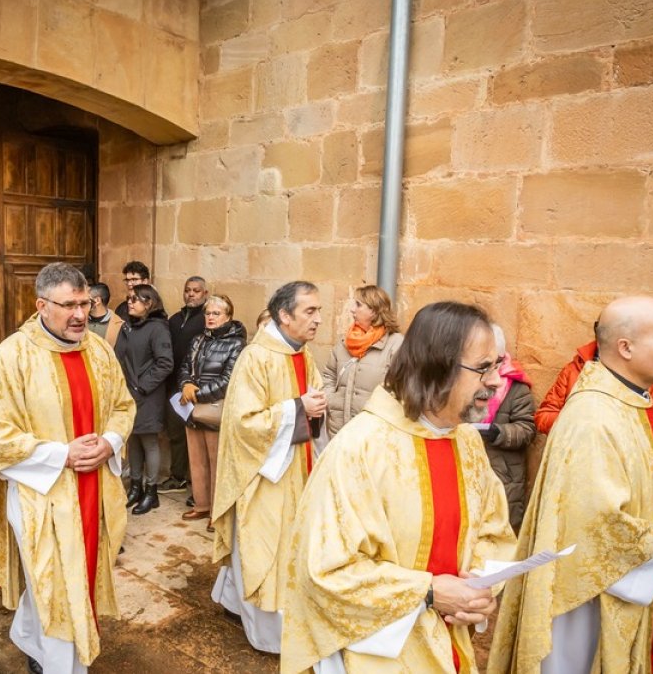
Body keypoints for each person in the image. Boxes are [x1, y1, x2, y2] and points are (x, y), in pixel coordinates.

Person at [282, 301, 517, 672]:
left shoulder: (468, 442)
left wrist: (480, 591)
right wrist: (426, 592)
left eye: (497, 365)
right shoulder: (360, 448)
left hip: (451, 641)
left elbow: (494, 530)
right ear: (436, 366)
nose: (495, 380)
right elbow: (324, 572)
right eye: (483, 368)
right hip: (380, 652)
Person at [490, 295, 653, 674]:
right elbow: (596, 521)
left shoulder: (631, 402)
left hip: (629, 578)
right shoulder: (593, 417)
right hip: (588, 600)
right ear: (625, 347)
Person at [0, 262, 135, 674]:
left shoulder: (99, 350)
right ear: (41, 305)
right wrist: (61, 455)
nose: (80, 315)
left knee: (81, 576)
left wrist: (109, 442)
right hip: (42, 492)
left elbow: (123, 406)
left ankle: (38, 641)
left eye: (85, 304)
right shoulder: (12, 356)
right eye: (69, 305)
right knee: (52, 581)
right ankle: (57, 663)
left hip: (95, 488)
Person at [210, 281, 326, 653]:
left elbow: (313, 396)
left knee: (284, 541)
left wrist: (313, 406)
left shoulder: (302, 353)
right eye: (310, 311)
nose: (318, 319)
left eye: (318, 311)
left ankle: (231, 600)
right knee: (262, 543)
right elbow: (244, 422)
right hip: (263, 473)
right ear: (284, 315)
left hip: (297, 464)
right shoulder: (256, 357)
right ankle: (268, 635)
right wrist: (297, 409)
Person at [536, 333, 653, 448]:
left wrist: (615, 433)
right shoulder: (574, 370)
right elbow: (544, 416)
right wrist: (579, 422)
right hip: (574, 458)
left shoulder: (651, 384)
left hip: (622, 468)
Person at [176, 294, 246, 526]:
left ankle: (218, 513)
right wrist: (185, 385)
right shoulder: (198, 339)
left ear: (228, 316)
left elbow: (228, 380)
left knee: (218, 464)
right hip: (192, 409)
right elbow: (185, 366)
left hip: (214, 409)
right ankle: (202, 505)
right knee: (197, 461)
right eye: (208, 313)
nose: (210, 317)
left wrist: (197, 394)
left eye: (216, 313)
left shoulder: (236, 343)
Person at [114, 284, 174, 515]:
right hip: (128, 394)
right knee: (133, 441)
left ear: (149, 304)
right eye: (128, 298)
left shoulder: (157, 329)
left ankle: (151, 492)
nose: (129, 303)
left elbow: (165, 363)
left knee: (149, 442)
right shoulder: (128, 326)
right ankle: (136, 487)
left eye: (135, 300)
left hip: (147, 395)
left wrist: (141, 385)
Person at [321, 284, 403, 438]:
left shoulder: (396, 344)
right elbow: (329, 375)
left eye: (358, 305)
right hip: (338, 432)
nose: (352, 309)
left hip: (373, 434)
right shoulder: (345, 342)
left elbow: (401, 387)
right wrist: (331, 399)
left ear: (374, 310)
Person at [478, 324, 537, 532]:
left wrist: (499, 433)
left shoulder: (517, 388)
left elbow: (527, 428)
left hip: (504, 474)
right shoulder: (469, 382)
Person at [158, 276, 208, 495]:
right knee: (175, 433)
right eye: (188, 290)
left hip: (196, 387)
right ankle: (177, 477)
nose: (191, 294)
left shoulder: (206, 319)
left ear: (205, 294)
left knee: (200, 438)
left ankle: (199, 486)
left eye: (196, 291)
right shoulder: (175, 319)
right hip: (173, 385)